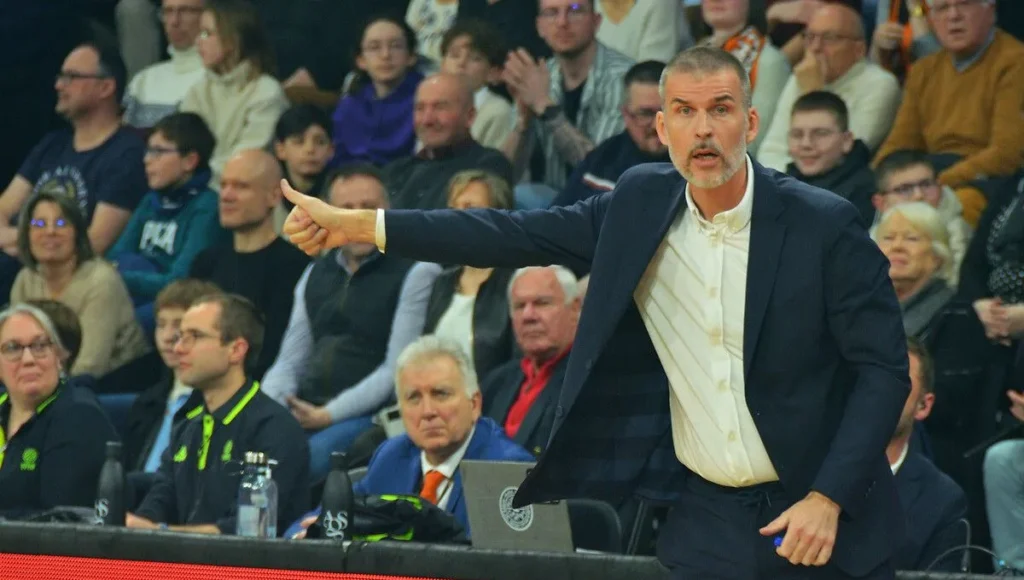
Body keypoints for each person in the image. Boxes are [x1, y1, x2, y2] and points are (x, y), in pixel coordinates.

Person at [280, 46, 910, 579]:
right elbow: (505, 233)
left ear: (749, 122)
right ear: (662, 130)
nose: (704, 130)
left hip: (822, 514)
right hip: (705, 515)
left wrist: (828, 497)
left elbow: (883, 369)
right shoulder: (637, 203)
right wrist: (363, 224)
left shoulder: (823, 225)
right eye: (684, 113)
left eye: (720, 110)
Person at [284, 335, 535, 540]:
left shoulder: (508, 469)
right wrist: (307, 534)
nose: (428, 412)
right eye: (414, 398)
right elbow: (314, 522)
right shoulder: (393, 456)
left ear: (475, 403)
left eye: (441, 394)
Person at [128, 293, 310, 535]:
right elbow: (157, 505)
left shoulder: (274, 428)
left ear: (236, 350)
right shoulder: (187, 425)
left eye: (195, 337)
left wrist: (158, 531)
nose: (179, 348)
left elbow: (247, 533)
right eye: (181, 337)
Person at [11, 192, 151, 380]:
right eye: (39, 224)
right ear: (26, 235)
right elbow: (13, 349)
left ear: (77, 234)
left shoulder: (101, 281)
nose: (50, 231)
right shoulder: (26, 280)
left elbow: (90, 366)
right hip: (47, 384)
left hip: (112, 386)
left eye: (61, 224)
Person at [0, 303, 118, 518]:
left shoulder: (79, 416)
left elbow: (60, 520)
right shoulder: (2, 409)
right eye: (13, 348)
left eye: (39, 346)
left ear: (59, 357)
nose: (28, 359)